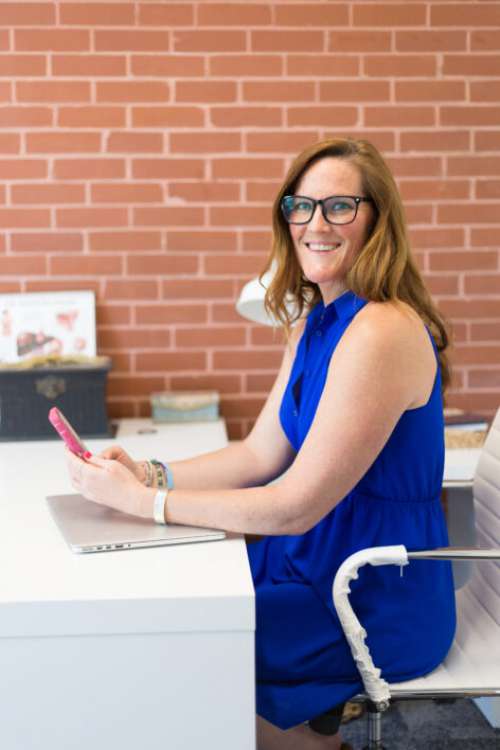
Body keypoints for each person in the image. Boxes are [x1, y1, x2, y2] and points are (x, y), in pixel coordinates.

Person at [66, 138, 456, 750]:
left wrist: (144, 505)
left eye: (339, 207)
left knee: (168, 639)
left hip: (364, 596)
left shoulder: (382, 329)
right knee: (164, 602)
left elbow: (293, 504)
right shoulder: (314, 320)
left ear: (379, 219)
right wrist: (149, 474)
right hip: (306, 563)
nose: (314, 223)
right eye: (299, 206)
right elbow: (258, 455)